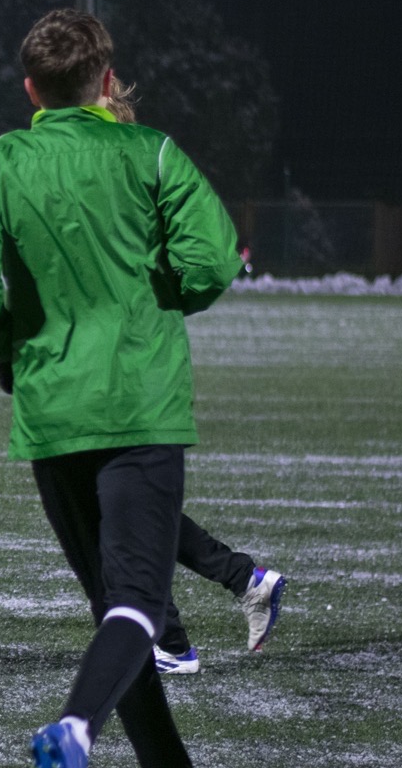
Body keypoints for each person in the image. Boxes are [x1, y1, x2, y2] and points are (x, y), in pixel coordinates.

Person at [0, 9, 243, 768]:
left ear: (31, 90)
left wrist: (5, 340)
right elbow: (214, 263)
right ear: (106, 84)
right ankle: (73, 730)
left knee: (120, 615)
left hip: (50, 408)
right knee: (140, 609)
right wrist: (162, 296)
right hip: (137, 401)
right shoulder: (148, 153)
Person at [99, 77, 287, 673]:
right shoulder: (139, 162)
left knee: (116, 501)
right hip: (133, 352)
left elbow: (209, 256)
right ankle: (242, 580)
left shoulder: (102, 171)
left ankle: (170, 640)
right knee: (123, 499)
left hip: (108, 357)